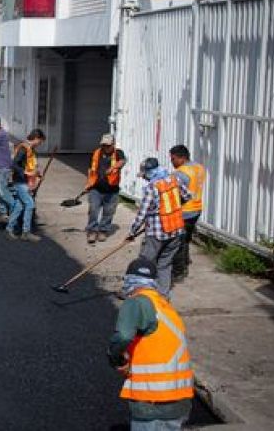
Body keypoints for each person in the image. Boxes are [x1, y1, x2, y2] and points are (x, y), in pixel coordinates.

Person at [108, 258, 194, 430]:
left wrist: (116, 358)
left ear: (129, 280)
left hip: (153, 402)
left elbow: (123, 336)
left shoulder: (135, 302)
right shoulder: (164, 307)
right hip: (180, 400)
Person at [126, 158, 192, 299]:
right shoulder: (174, 180)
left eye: (144, 175)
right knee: (165, 264)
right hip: (176, 230)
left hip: (157, 233)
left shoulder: (152, 187)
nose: (143, 178)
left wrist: (132, 232)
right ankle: (163, 295)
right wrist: (173, 207)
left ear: (148, 173)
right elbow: (187, 196)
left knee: (144, 264)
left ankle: (138, 294)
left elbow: (142, 213)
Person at [169, 145, 205, 283]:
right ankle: (186, 259)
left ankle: (179, 271)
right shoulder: (199, 167)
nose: (172, 162)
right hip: (197, 208)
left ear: (182, 158)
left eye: (173, 159)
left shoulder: (180, 173)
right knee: (186, 238)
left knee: (178, 242)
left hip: (184, 211)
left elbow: (175, 193)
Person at [86, 134, 127, 244]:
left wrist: (112, 168)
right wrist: (88, 184)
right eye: (104, 145)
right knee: (93, 210)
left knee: (108, 212)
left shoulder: (118, 153)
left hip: (112, 190)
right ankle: (92, 231)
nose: (106, 148)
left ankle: (103, 230)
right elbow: (90, 169)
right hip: (96, 188)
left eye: (108, 145)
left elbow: (122, 162)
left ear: (113, 145)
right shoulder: (96, 153)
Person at [7, 129, 46, 242]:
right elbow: (14, 165)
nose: (40, 144)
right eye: (40, 141)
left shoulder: (30, 150)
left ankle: (9, 229)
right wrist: (26, 173)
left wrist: (37, 174)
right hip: (20, 181)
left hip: (24, 181)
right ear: (36, 138)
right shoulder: (24, 148)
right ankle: (26, 232)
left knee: (19, 206)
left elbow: (30, 166)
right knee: (30, 204)